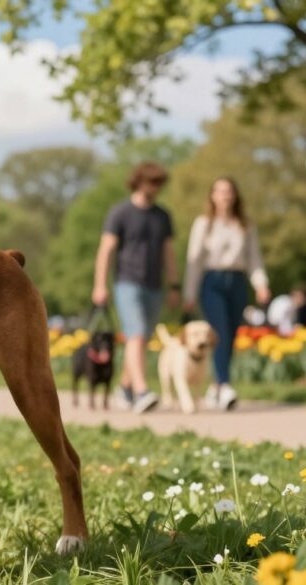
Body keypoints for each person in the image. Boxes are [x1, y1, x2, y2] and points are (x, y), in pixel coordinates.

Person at [92, 161, 179, 414]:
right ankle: (142, 392)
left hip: (154, 284)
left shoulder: (162, 216)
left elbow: (169, 253)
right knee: (137, 334)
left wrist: (174, 285)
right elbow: (106, 250)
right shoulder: (120, 212)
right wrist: (100, 285)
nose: (156, 188)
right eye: (152, 182)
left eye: (159, 184)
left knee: (140, 339)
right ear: (139, 181)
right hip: (127, 282)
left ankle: (125, 389)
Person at [182, 177, 269, 410]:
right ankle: (225, 384)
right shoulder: (204, 223)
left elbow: (254, 258)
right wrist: (189, 293)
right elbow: (194, 260)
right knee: (218, 330)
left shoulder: (245, 225)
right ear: (212, 196)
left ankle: (215, 387)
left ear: (235, 195)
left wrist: (260, 284)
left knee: (230, 334)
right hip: (212, 280)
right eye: (219, 191)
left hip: (237, 280)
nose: (224, 195)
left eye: (228, 191)